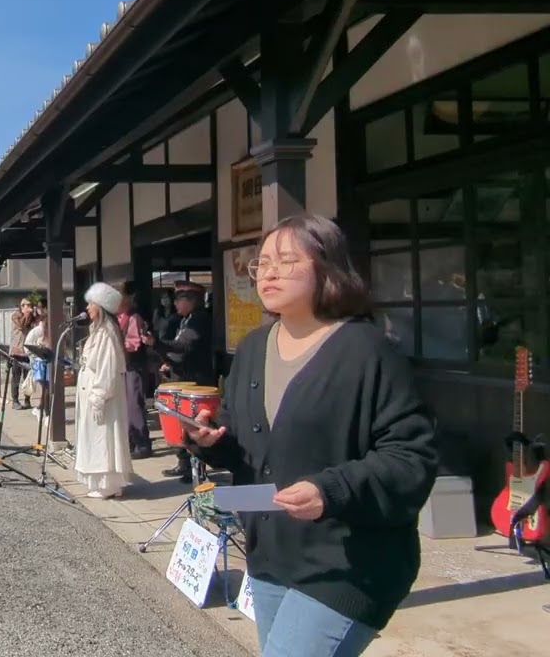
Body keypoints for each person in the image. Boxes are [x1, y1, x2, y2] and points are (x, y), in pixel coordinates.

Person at [183, 213, 436, 657]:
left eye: (286, 260)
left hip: (348, 560)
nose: (269, 272)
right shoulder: (253, 348)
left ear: (328, 267)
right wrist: (212, 440)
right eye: (262, 263)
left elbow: (411, 458)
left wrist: (330, 489)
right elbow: (243, 439)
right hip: (269, 554)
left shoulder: (366, 350)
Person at [142, 280, 216, 483]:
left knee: (194, 425)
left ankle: (195, 468)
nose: (174, 303)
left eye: (178, 299)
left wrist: (157, 344)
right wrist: (165, 359)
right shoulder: (186, 320)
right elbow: (177, 350)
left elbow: (184, 347)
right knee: (184, 425)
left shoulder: (198, 320)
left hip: (196, 379)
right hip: (186, 377)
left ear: (191, 301)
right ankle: (184, 464)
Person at [74, 282, 133, 499]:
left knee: (103, 435)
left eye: (91, 304)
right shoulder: (97, 331)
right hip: (92, 388)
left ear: (101, 307)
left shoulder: (107, 333)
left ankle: (109, 484)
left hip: (102, 393)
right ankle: (103, 483)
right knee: (95, 435)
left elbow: (108, 368)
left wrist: (98, 394)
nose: (87, 308)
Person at [118, 281, 153, 459]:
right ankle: (130, 441)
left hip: (134, 365)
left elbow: (133, 343)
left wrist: (117, 347)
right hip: (123, 366)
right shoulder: (119, 317)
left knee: (134, 405)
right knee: (124, 405)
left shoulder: (133, 317)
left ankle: (143, 444)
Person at [8, 299, 34, 410]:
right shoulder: (16, 316)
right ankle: (15, 400)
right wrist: (27, 314)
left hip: (27, 352)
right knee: (16, 377)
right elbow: (21, 326)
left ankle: (27, 400)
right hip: (16, 352)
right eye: (26, 305)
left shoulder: (30, 317)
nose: (28, 307)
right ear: (21, 306)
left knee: (28, 377)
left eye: (30, 305)